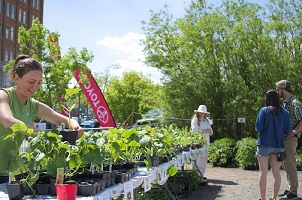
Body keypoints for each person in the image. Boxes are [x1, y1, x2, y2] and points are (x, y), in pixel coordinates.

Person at [0, 55, 84, 184]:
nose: (35, 87)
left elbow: (60, 119)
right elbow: (8, 121)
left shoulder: (33, 105)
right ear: (17, 78)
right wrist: (39, 134)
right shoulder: (4, 95)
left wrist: (74, 125)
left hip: (5, 171)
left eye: (39, 83)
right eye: (31, 82)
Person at [256, 90, 292, 200]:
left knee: (263, 173)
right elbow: (288, 131)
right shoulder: (285, 113)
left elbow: (258, 128)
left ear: (267, 99)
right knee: (277, 174)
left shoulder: (263, 111)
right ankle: (274, 198)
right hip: (278, 146)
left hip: (264, 145)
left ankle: (263, 199)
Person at [275, 80, 302, 199]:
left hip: (290, 139)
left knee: (290, 165)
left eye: (278, 90)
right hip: (284, 139)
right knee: (286, 165)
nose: (277, 92)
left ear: (283, 89)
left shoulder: (295, 103)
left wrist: (295, 131)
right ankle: (290, 189)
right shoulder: (286, 102)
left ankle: (293, 192)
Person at [191, 105, 213, 177]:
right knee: (197, 159)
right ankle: (195, 175)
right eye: (201, 112)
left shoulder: (207, 120)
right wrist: (205, 131)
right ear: (198, 112)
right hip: (198, 142)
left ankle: (201, 175)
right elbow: (194, 131)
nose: (202, 114)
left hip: (206, 142)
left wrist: (210, 131)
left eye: (203, 113)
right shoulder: (195, 120)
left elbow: (211, 130)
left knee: (204, 158)